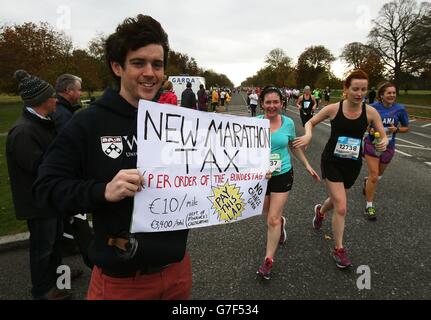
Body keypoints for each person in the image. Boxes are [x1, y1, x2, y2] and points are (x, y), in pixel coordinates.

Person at [34, 14, 192, 300]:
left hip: (177, 271)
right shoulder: (87, 123)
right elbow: (45, 189)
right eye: (138, 63)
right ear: (117, 66)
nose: (150, 72)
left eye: (157, 64)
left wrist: (247, 175)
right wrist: (102, 190)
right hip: (123, 282)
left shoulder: (175, 123)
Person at [293, 70, 388, 269]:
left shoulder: (370, 112)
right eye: (355, 89)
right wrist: (309, 135)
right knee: (342, 206)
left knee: (336, 201)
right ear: (346, 89)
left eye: (363, 89)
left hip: (353, 163)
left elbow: (382, 135)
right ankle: (339, 249)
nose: (359, 93)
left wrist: (383, 142)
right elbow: (311, 122)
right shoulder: (334, 109)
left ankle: (320, 211)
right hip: (332, 161)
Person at [6, 70, 71, 300]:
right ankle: (42, 291)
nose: (56, 99)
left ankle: (59, 281)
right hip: (38, 203)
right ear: (42, 100)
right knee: (43, 249)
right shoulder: (23, 132)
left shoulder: (43, 123)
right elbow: (41, 167)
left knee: (54, 244)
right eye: (53, 96)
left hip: (50, 199)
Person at [256, 85, 320, 280]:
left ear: (282, 104)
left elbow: (293, 146)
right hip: (261, 176)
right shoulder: (254, 123)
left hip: (283, 173)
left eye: (276, 102)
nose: (272, 105)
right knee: (266, 213)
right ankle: (281, 222)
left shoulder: (288, 123)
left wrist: (307, 165)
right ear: (262, 104)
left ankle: (268, 260)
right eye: (268, 102)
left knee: (272, 219)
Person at [53, 74, 93, 270]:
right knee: (77, 217)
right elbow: (67, 149)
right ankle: (93, 260)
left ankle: (69, 244)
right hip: (69, 176)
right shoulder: (62, 115)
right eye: (78, 89)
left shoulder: (63, 111)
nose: (80, 93)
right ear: (69, 91)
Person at [362, 82, 410, 220]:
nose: (392, 95)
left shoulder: (400, 109)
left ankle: (367, 181)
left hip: (388, 146)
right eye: (389, 93)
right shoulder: (372, 108)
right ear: (381, 95)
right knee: (374, 175)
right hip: (372, 144)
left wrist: (398, 130)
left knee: (379, 175)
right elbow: (364, 125)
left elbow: (406, 128)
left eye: (394, 93)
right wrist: (370, 129)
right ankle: (369, 206)